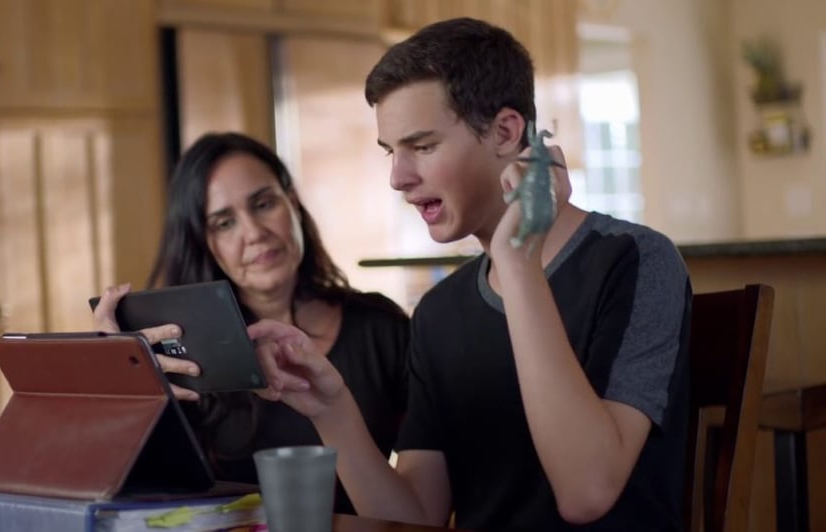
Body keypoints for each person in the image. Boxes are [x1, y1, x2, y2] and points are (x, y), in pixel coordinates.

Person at [247, 17, 691, 531]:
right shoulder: (440, 312)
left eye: (424, 146)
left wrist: (518, 262)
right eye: (392, 151)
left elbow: (586, 493)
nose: (399, 177)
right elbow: (416, 519)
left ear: (505, 131)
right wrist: (332, 411)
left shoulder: (636, 262)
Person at [92, 132, 409, 515]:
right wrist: (114, 386)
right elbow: (123, 499)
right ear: (202, 242)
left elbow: (419, 502)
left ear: (292, 202)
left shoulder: (380, 326)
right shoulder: (174, 350)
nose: (255, 233)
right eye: (224, 223)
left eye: (263, 204)